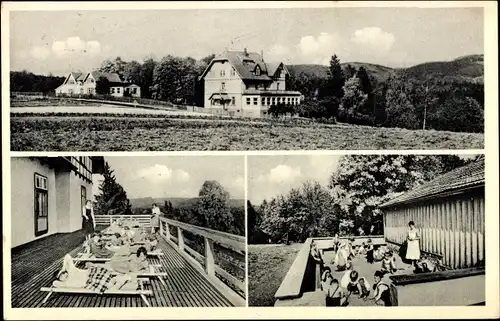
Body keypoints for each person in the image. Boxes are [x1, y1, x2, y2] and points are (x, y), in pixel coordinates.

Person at [52, 254, 138, 291]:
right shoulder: (65, 283)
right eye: (61, 277)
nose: (64, 276)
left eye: (63, 273)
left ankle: (124, 278)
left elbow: (67, 256)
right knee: (110, 285)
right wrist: (60, 280)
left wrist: (63, 268)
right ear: (60, 280)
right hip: (89, 282)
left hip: (91, 274)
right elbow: (54, 283)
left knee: (110, 283)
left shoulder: (71, 271)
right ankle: (124, 278)